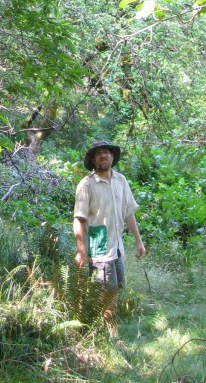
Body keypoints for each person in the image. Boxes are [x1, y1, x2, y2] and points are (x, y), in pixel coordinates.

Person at [72, 141, 146, 337]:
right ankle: (111, 336)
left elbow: (129, 213)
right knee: (107, 292)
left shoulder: (120, 180)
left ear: (112, 157)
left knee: (117, 288)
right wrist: (81, 249)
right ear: (93, 161)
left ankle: (94, 328)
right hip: (98, 239)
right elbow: (79, 219)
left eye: (106, 153)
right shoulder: (86, 185)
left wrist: (139, 241)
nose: (103, 156)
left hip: (117, 242)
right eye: (98, 154)